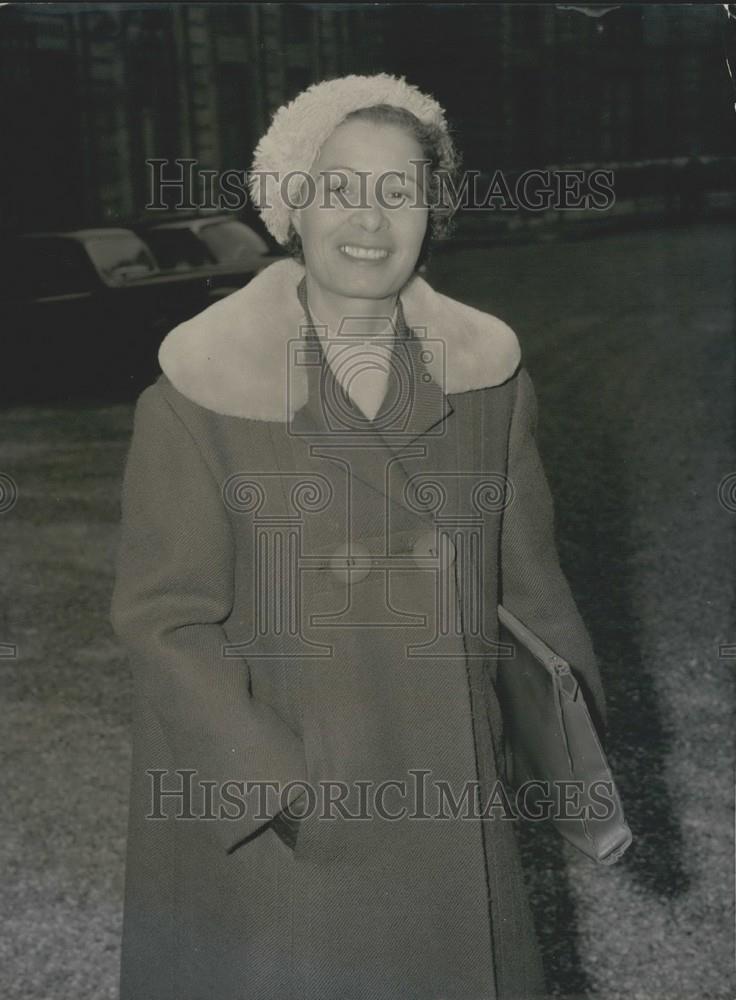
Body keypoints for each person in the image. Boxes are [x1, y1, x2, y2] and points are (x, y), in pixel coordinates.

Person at [111, 73, 607, 1000]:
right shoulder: (198, 395)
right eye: (339, 187)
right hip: (291, 833)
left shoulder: (490, 385)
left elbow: (530, 592)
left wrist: (559, 756)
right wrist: (280, 788)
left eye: (399, 191)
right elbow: (163, 622)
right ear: (291, 204)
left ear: (433, 213)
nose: (370, 219)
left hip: (451, 801)